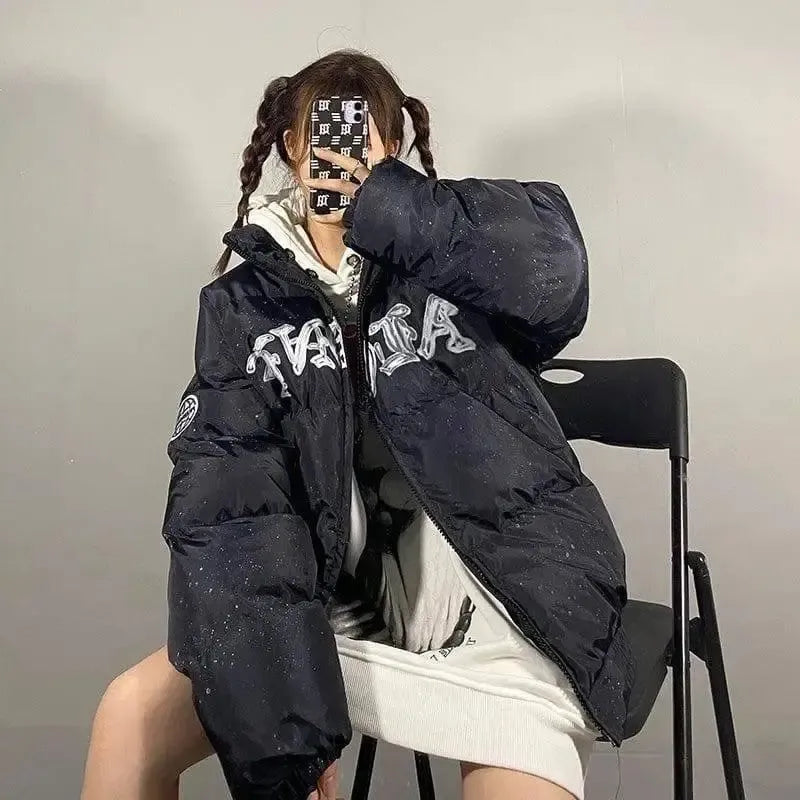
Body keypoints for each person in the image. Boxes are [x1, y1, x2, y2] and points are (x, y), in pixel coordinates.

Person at [81, 49, 634, 800]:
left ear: (392, 145)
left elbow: (558, 276)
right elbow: (231, 512)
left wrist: (392, 208)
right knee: (129, 715)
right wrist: (287, 727)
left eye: (362, 135)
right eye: (323, 133)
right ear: (292, 146)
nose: (339, 153)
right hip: (329, 619)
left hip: (501, 610)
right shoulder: (244, 305)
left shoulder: (451, 253)